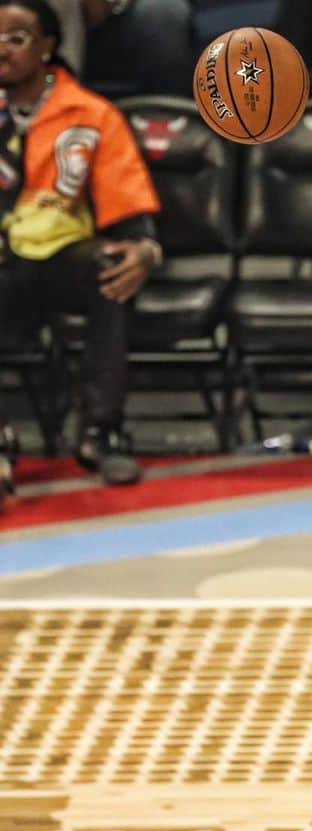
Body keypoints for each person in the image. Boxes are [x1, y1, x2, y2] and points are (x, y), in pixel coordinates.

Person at [0, 0, 161, 496]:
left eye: (16, 37)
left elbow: (129, 208)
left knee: (112, 267)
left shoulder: (91, 114)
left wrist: (145, 252)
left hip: (63, 259)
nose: (1, 48)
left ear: (48, 47)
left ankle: (100, 433)